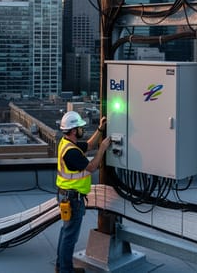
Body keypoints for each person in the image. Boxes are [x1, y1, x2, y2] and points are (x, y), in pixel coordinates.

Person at [55, 111, 110, 273]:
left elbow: (89, 145)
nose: (82, 130)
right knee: (70, 237)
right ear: (73, 131)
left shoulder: (66, 143)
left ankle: (61, 267)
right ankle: (65, 270)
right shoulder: (71, 152)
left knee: (65, 232)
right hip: (73, 199)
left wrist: (100, 130)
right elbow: (92, 167)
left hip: (66, 195)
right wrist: (103, 149)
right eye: (79, 128)